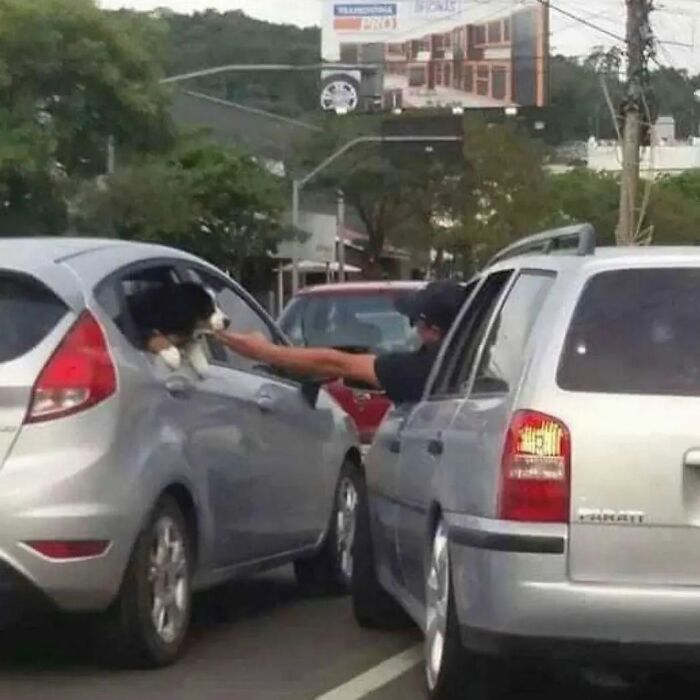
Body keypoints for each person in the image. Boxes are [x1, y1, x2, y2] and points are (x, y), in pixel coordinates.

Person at [216, 280, 468, 405]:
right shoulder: (471, 362)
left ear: (433, 330)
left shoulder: (424, 370)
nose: (415, 332)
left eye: (415, 322)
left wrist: (263, 351)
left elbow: (335, 363)